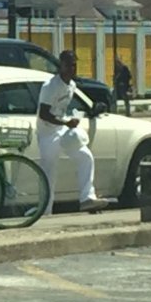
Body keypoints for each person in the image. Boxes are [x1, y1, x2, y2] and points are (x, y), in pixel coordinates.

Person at [37, 50, 109, 215]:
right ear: (61, 65)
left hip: (61, 130)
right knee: (49, 172)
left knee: (85, 156)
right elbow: (44, 114)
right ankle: (45, 211)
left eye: (74, 65)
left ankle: (87, 198)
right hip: (47, 134)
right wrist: (65, 122)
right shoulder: (50, 86)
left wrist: (70, 121)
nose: (72, 68)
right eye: (68, 65)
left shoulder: (72, 86)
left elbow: (62, 111)